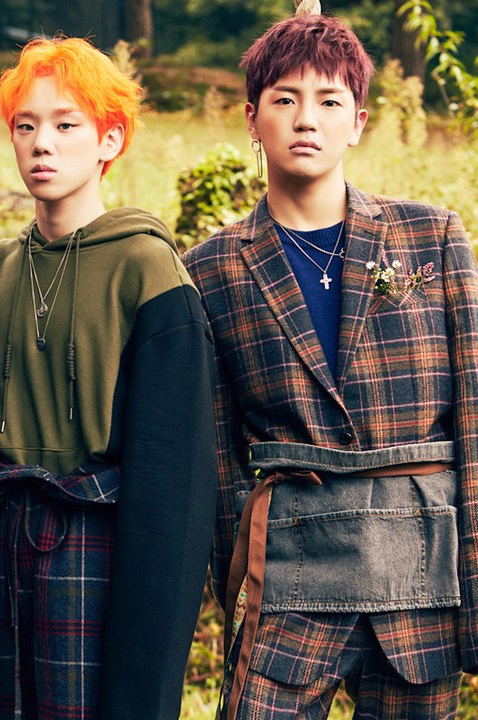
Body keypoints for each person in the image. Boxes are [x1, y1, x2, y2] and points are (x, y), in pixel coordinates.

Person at [182, 13, 478, 719]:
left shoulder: (431, 237)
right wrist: (239, 576)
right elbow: (218, 453)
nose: (306, 119)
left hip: (419, 574)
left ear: (358, 123)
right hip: (291, 574)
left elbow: (474, 416)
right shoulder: (210, 269)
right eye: (284, 99)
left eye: (329, 101)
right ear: (252, 119)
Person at [0, 37, 217, 720]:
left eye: (65, 124)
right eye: (26, 125)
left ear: (109, 140)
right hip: (2, 543)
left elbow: (174, 479)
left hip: (97, 547)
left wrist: (148, 670)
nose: (41, 144)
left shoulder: (149, 269)